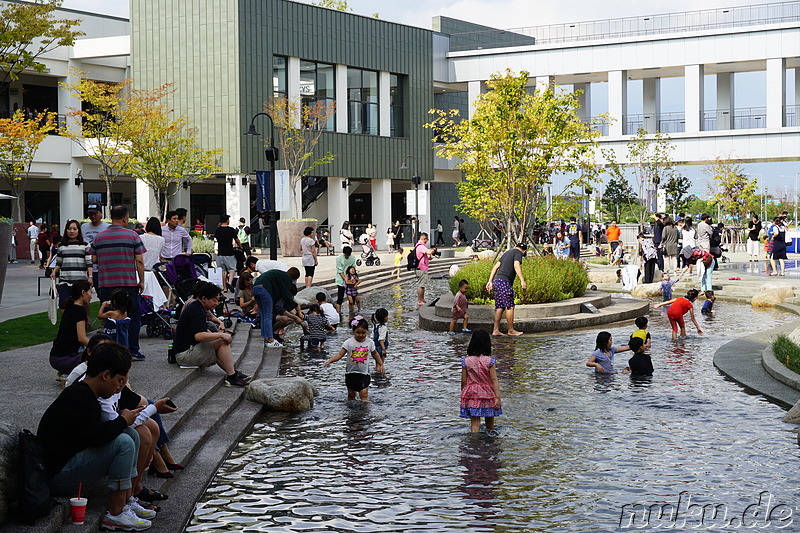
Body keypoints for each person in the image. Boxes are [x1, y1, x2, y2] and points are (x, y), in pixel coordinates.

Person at [37, 342, 154, 532]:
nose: (120, 388)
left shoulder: (86, 393)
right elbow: (97, 437)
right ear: (105, 375)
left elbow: (94, 435)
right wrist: (123, 420)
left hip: (70, 461)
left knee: (130, 434)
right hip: (57, 476)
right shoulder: (81, 397)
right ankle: (115, 514)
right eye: (119, 381)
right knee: (124, 441)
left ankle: (126, 500)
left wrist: (124, 424)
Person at [90, 206, 147, 360]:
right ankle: (133, 349)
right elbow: (140, 261)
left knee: (110, 316)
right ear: (125, 218)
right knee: (134, 315)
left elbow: (93, 259)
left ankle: (110, 350)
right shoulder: (132, 235)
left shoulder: (99, 237)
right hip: (127, 283)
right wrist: (141, 281)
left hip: (106, 283)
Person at [173, 281, 250, 387]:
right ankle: (232, 375)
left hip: (188, 349)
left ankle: (232, 373)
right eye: (214, 300)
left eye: (217, 300)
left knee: (219, 342)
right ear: (204, 299)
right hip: (184, 355)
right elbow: (199, 335)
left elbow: (202, 330)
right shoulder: (196, 310)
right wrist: (221, 335)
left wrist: (217, 334)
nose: (216, 303)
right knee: (222, 342)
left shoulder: (198, 307)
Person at [323, 316, 384, 401]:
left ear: (367, 331)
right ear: (353, 331)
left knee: (364, 394)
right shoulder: (348, 342)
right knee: (351, 395)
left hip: (364, 374)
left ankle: (365, 412)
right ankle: (351, 411)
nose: (361, 335)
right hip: (350, 373)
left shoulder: (370, 342)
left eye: (363, 333)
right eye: (358, 332)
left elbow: (375, 354)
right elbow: (340, 355)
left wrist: (381, 364)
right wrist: (329, 361)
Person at [460, 330, 502, 433]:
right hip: (488, 393)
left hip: (472, 393)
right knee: (490, 421)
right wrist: (497, 397)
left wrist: (463, 394)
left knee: (475, 422)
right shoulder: (489, 361)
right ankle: (491, 440)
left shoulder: (466, 361)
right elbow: (494, 379)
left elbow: (464, 381)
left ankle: (474, 442)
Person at [50, 280, 92, 382]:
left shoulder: (70, 308)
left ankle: (66, 371)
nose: (91, 296)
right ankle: (69, 373)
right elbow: (81, 338)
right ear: (83, 293)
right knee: (99, 357)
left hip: (55, 357)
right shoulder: (79, 310)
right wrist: (100, 346)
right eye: (90, 292)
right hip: (63, 358)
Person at [253, 267, 303, 347]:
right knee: (267, 315)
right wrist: (296, 307)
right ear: (294, 278)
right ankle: (270, 339)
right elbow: (286, 296)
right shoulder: (287, 278)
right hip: (264, 289)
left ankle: (265, 336)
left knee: (264, 314)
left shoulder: (281, 275)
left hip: (256, 287)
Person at [486, 242, 527, 336]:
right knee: (510, 306)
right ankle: (511, 330)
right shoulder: (518, 253)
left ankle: (495, 330)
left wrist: (490, 281)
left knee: (500, 307)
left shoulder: (507, 253)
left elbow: (495, 267)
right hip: (505, 282)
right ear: (524, 251)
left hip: (497, 281)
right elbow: (516, 265)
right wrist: (522, 280)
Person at [51, 219, 92, 310]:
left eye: (74, 229)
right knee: (63, 304)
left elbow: (89, 263)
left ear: (78, 230)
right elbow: (59, 262)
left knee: (81, 305)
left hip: (80, 280)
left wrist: (90, 276)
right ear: (66, 230)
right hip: (65, 280)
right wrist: (54, 272)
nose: (72, 231)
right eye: (69, 229)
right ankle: (67, 322)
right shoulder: (61, 245)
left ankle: (83, 323)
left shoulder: (85, 244)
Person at [81, 204, 110, 287]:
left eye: (95, 214)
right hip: (87, 266)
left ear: (101, 213)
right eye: (90, 214)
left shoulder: (108, 227)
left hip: (101, 268)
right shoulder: (84, 227)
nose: (93, 216)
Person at [213, 214, 241, 292]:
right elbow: (236, 240)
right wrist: (240, 246)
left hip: (220, 253)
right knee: (232, 269)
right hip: (229, 252)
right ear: (227, 221)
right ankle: (229, 282)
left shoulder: (217, 230)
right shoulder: (231, 230)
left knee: (222, 271)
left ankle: (224, 288)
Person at [413, 232, 438, 306]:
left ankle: (422, 299)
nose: (427, 241)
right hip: (421, 268)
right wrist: (433, 250)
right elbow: (429, 252)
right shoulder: (421, 246)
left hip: (421, 267)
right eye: (427, 240)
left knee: (422, 284)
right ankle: (420, 300)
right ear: (424, 238)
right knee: (421, 284)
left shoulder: (418, 245)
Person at [335, 246, 356, 313]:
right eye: (346, 254)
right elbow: (339, 269)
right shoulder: (339, 258)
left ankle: (351, 310)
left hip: (350, 278)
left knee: (352, 296)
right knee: (340, 295)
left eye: (348, 255)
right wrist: (345, 279)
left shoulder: (352, 258)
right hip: (341, 279)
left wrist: (352, 279)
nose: (347, 256)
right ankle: (338, 310)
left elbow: (353, 268)